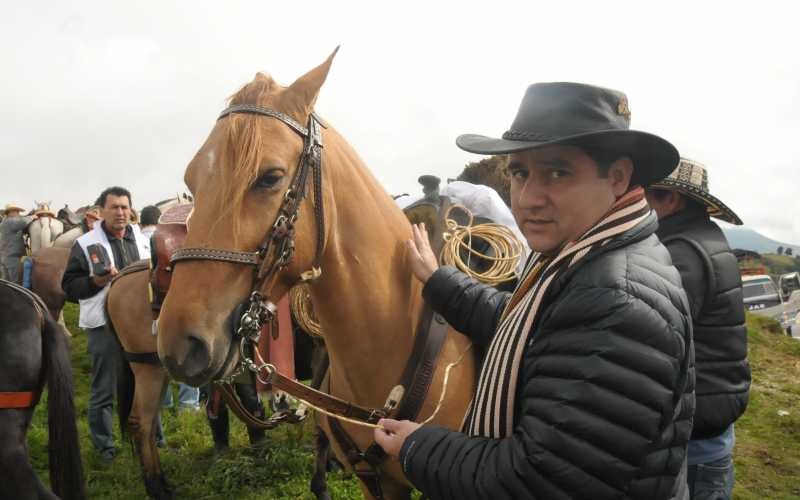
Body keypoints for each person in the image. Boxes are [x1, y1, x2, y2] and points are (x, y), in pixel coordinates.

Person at [373, 82, 695, 499]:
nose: (527, 198)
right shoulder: (585, 256)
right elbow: (529, 328)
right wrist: (438, 280)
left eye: (557, 173)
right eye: (519, 172)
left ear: (617, 178)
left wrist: (417, 446)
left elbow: (539, 480)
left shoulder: (615, 299)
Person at [645, 159, 750, 500]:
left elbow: (651, 337)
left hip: (695, 443)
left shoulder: (681, 254)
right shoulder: (701, 239)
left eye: (644, 194)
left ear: (671, 200)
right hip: (709, 425)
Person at [62, 186, 150, 463]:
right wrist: (94, 282)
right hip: (105, 326)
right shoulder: (86, 244)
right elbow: (69, 287)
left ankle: (151, 439)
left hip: (140, 326)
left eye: (125, 207)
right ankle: (105, 448)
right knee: (103, 388)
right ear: (101, 211)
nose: (121, 212)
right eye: (114, 207)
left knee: (146, 385)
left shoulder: (143, 239)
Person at [0, 203, 35, 282]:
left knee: (5, 282)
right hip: (12, 258)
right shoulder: (10, 222)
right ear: (11, 212)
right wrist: (32, 217)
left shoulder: (3, 223)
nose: (19, 214)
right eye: (17, 212)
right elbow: (22, 223)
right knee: (14, 283)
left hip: (4, 257)